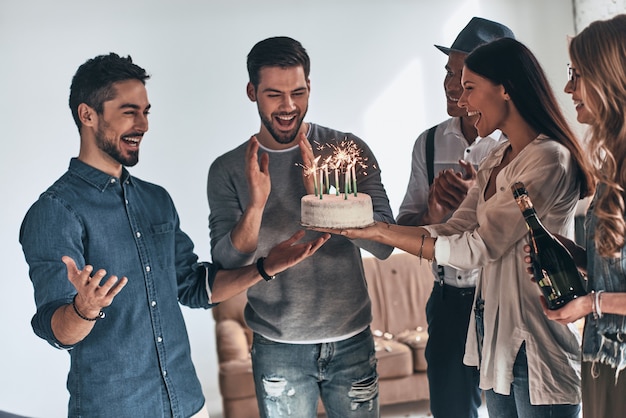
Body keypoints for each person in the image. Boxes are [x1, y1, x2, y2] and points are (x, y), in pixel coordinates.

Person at [19, 53, 329, 418]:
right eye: (129, 111)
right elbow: (57, 329)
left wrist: (264, 268)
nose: (143, 125)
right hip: (116, 409)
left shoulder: (156, 200)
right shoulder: (54, 212)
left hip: (187, 402)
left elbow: (193, 287)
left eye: (146, 111)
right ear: (88, 115)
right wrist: (83, 310)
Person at [312, 37, 596, 418]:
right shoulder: (497, 156)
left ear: (505, 89)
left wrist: (378, 232)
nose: (460, 102)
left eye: (469, 88)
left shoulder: (548, 160)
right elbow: (456, 227)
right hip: (495, 343)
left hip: (538, 345)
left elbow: (478, 247)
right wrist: (372, 228)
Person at [206, 36, 395, 418]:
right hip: (278, 347)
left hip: (351, 338)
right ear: (251, 92)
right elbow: (225, 262)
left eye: (299, 92)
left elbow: (385, 244)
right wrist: (256, 206)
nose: (289, 107)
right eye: (274, 94)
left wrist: (324, 202)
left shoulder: (346, 150)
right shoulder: (227, 169)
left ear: (310, 87)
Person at [396, 17, 514, 418]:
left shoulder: (524, 147)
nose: (451, 85)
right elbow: (406, 229)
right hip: (449, 302)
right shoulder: (428, 144)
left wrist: (473, 208)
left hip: (507, 301)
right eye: (449, 72)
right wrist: (435, 214)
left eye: (464, 76)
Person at [525, 14, 626, 418]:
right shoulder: (613, 168)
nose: (568, 87)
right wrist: (577, 257)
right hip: (602, 359)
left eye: (577, 75)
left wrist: (590, 305)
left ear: (610, 78)